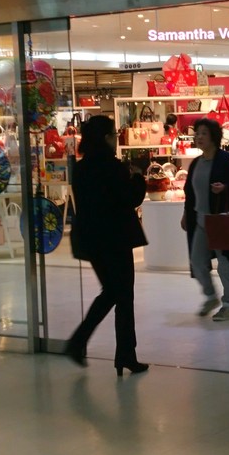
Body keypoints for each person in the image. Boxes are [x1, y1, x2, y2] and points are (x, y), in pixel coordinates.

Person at [64, 115, 149, 375]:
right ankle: (121, 353)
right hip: (116, 238)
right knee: (122, 296)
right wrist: (138, 179)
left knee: (113, 292)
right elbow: (129, 199)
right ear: (106, 138)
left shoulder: (81, 168)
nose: (116, 139)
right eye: (114, 134)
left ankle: (94, 346)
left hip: (91, 240)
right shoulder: (113, 168)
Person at [181, 116, 229, 321]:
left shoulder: (226, 160)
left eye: (204, 133)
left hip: (221, 221)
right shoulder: (196, 163)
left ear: (214, 137)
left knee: (225, 263)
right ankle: (210, 296)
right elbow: (190, 192)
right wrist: (186, 213)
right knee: (197, 261)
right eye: (197, 133)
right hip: (200, 220)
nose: (199, 137)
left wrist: (225, 188)